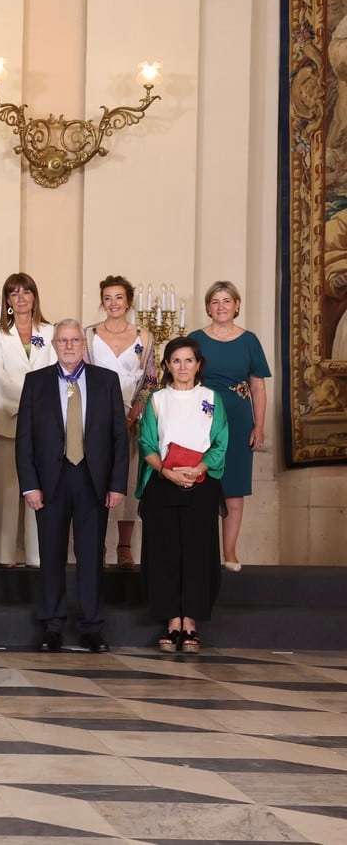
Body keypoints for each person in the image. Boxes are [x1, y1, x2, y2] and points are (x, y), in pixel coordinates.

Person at [16, 319, 129, 653]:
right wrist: (29, 486)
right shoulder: (35, 383)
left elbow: (119, 439)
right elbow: (25, 440)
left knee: (91, 556)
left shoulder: (106, 381)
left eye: (74, 340)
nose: (68, 346)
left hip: (92, 480)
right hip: (51, 480)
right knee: (50, 556)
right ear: (53, 345)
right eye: (62, 341)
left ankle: (92, 628)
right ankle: (52, 627)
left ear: (84, 343)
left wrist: (116, 484)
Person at [136, 337, 229, 654]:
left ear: (198, 364)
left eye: (189, 360)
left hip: (201, 484)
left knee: (197, 553)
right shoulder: (157, 400)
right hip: (165, 483)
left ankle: (191, 622)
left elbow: (220, 442)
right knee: (166, 553)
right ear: (166, 366)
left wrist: (200, 468)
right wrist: (166, 471)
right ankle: (171, 620)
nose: (183, 367)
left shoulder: (211, 399)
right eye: (176, 361)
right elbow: (147, 443)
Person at [188, 281, 270, 571]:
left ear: (237, 305)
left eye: (226, 301)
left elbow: (258, 387)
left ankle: (230, 553)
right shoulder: (196, 338)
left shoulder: (249, 341)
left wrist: (259, 426)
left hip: (237, 416)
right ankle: (203, 554)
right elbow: (183, 376)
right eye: (215, 301)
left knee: (233, 489)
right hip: (202, 416)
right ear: (208, 307)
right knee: (203, 487)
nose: (221, 307)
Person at [84, 275, 157, 570]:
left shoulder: (145, 336)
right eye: (107, 298)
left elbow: (151, 379)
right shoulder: (88, 335)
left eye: (118, 297)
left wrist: (131, 415)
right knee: (95, 478)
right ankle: (96, 543)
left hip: (131, 417)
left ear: (128, 301)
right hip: (95, 418)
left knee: (125, 480)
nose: (113, 303)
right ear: (102, 302)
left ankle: (124, 545)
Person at [0, 272, 55, 568]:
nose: (21, 297)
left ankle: (37, 559)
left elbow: (55, 373)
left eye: (26, 292)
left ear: (34, 296)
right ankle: (2, 560)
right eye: (15, 293)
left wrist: (39, 411)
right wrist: (28, 406)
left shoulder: (51, 332)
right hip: (7, 422)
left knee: (39, 493)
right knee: (6, 493)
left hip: (44, 425)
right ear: (8, 301)